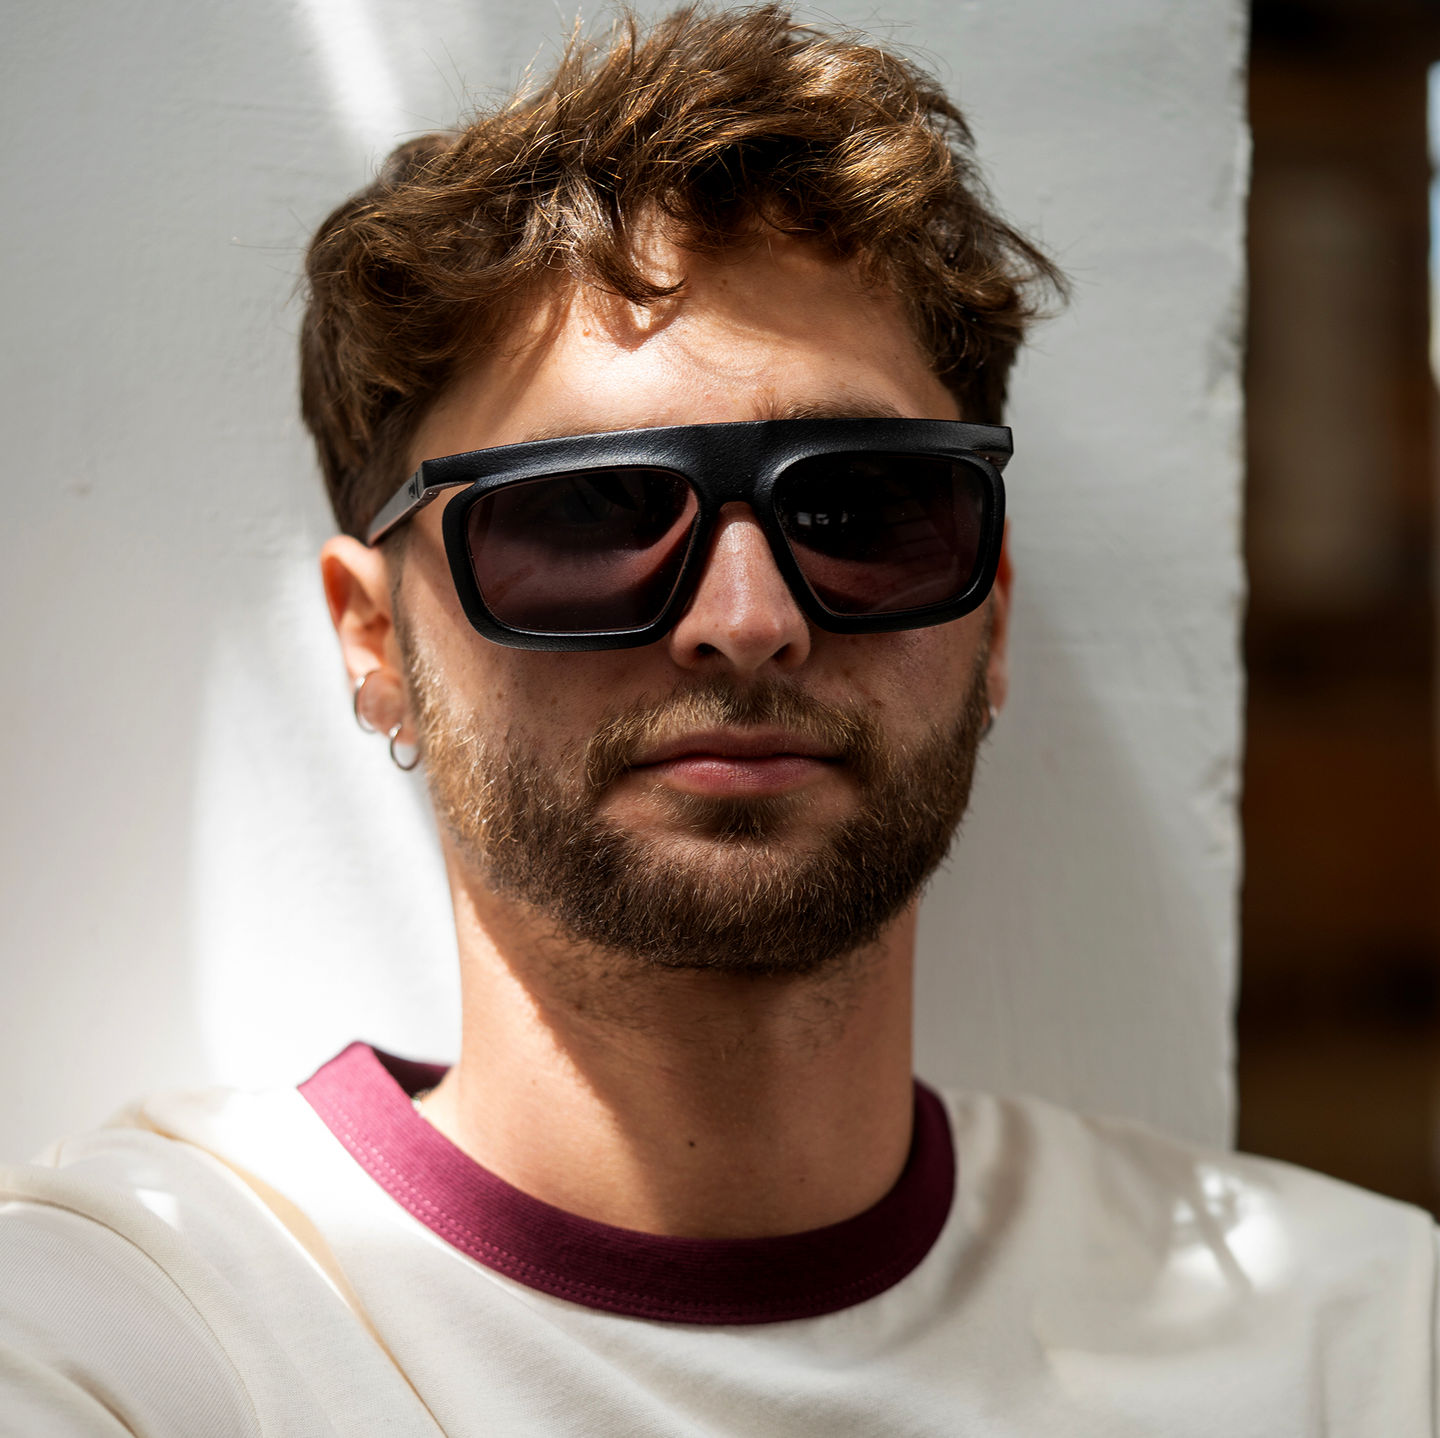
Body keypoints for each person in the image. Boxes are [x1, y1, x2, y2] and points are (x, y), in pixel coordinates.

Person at [1, 6, 1434, 1435]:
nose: (748, 618)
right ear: (376, 639)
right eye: (586, 513)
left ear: (987, 616)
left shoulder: (1356, 1348)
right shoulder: (137, 1339)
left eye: (863, 508)